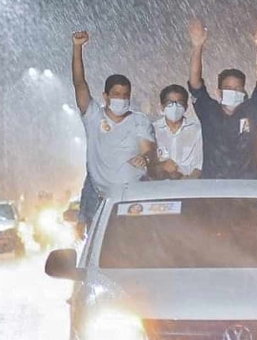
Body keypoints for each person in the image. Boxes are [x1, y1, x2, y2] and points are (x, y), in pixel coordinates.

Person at [71, 30, 157, 232]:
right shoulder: (93, 117)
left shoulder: (139, 121)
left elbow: (149, 149)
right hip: (101, 203)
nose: (122, 98)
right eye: (116, 94)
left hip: (134, 200)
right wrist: (77, 48)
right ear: (106, 96)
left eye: (125, 95)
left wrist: (145, 158)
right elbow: (79, 84)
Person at [187, 18, 257, 179]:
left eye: (237, 88)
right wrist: (197, 47)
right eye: (228, 88)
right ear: (218, 92)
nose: (233, 91)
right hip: (214, 185)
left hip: (247, 185)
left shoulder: (251, 110)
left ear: (244, 91)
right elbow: (195, 83)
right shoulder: (209, 111)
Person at [152, 84, 203, 180]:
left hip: (188, 185)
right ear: (162, 107)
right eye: (169, 103)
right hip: (159, 186)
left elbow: (199, 164)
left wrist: (190, 181)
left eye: (179, 103)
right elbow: (148, 164)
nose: (174, 107)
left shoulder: (197, 131)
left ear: (186, 107)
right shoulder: (152, 130)